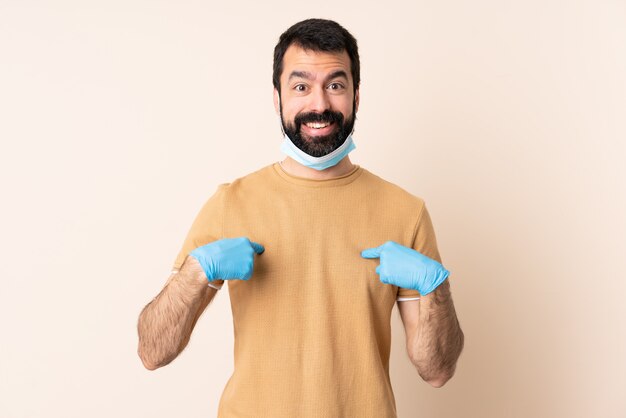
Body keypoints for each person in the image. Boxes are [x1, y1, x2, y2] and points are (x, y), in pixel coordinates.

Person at [137, 18, 464, 418]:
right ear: (277, 98)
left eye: (335, 85)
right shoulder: (232, 203)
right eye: (301, 86)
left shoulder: (405, 212)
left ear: (356, 96)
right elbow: (153, 352)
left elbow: (437, 370)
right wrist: (195, 272)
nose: (319, 104)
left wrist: (436, 287)